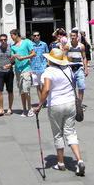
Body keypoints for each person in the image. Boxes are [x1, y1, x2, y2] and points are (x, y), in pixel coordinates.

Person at [34, 47, 86, 176]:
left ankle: (61, 163)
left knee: (58, 134)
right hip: (70, 104)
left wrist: (39, 105)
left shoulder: (48, 71)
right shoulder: (68, 68)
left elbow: (45, 89)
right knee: (71, 132)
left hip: (56, 105)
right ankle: (79, 160)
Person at [10, 29, 36, 117]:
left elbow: (33, 54)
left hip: (26, 69)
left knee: (26, 89)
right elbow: (12, 60)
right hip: (17, 70)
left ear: (16, 35)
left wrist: (24, 58)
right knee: (21, 91)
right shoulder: (12, 46)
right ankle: (24, 109)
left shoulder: (26, 42)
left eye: (12, 35)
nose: (11, 37)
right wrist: (13, 57)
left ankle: (30, 108)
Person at [64, 29, 88, 103]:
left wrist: (86, 68)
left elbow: (84, 57)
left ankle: (79, 104)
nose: (73, 37)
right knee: (71, 87)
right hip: (70, 69)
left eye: (74, 36)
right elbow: (64, 57)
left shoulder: (81, 46)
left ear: (77, 36)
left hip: (79, 68)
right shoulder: (67, 46)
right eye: (71, 36)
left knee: (81, 87)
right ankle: (74, 102)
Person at [0, 33, 13, 116]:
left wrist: (11, 65)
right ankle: (1, 109)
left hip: (9, 71)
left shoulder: (11, 48)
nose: (3, 41)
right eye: (1, 40)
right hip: (0, 72)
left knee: (10, 91)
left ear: (7, 39)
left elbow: (14, 59)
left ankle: (10, 108)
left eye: (5, 39)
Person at [30, 31, 49, 104]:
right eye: (34, 36)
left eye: (37, 35)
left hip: (43, 67)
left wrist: (47, 64)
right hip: (34, 68)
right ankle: (41, 101)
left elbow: (47, 54)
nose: (36, 37)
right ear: (32, 37)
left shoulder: (44, 44)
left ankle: (45, 99)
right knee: (37, 86)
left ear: (39, 36)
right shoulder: (30, 45)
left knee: (44, 85)